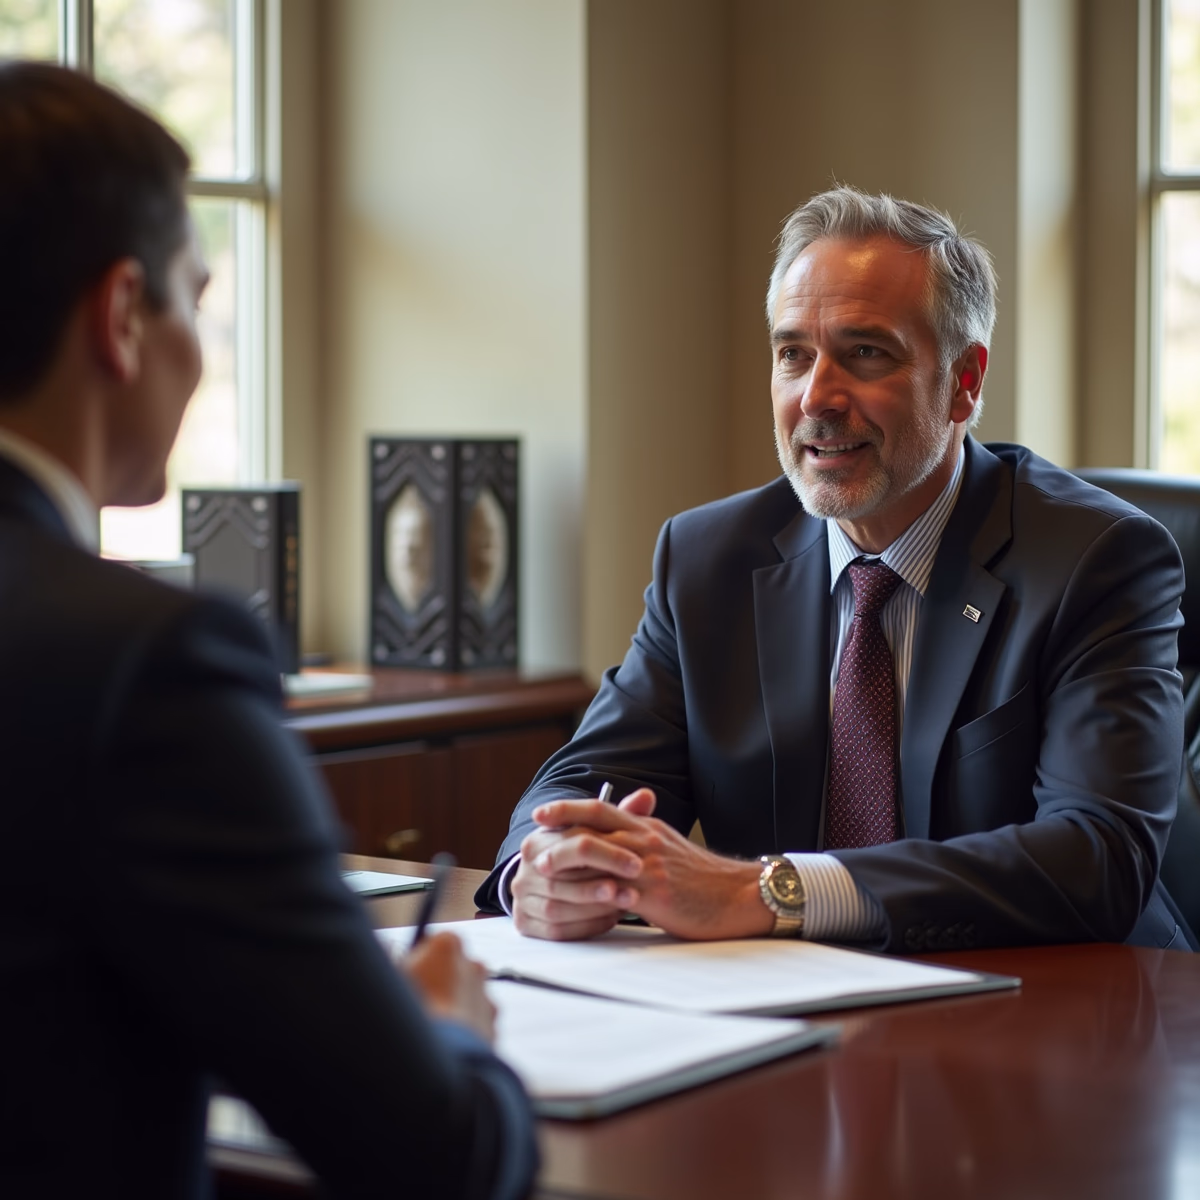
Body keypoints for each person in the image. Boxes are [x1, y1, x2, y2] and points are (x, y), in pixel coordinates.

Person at [0, 62, 536, 1198]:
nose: (199, 344)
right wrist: (446, 1027)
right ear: (119, 318)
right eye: (195, 296)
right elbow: (434, 1155)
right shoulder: (143, 664)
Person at [478, 185, 1194, 955]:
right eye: (793, 354)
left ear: (964, 382)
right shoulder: (711, 559)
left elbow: (1097, 859)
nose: (816, 397)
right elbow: (589, 774)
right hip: (792, 1007)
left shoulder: (1097, 559)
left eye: (865, 353)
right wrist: (545, 863)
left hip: (1061, 1019)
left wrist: (771, 890)